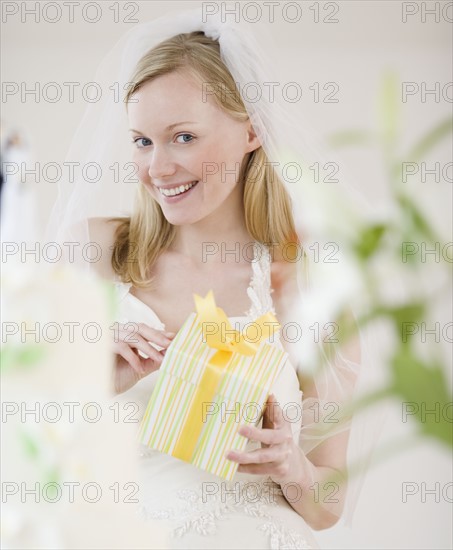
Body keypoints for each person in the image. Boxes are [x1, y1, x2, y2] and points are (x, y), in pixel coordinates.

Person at [47, 8, 367, 549]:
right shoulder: (91, 254)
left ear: (252, 130)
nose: (158, 167)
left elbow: (327, 504)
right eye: (142, 141)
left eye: (184, 137)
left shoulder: (312, 284)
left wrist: (292, 466)